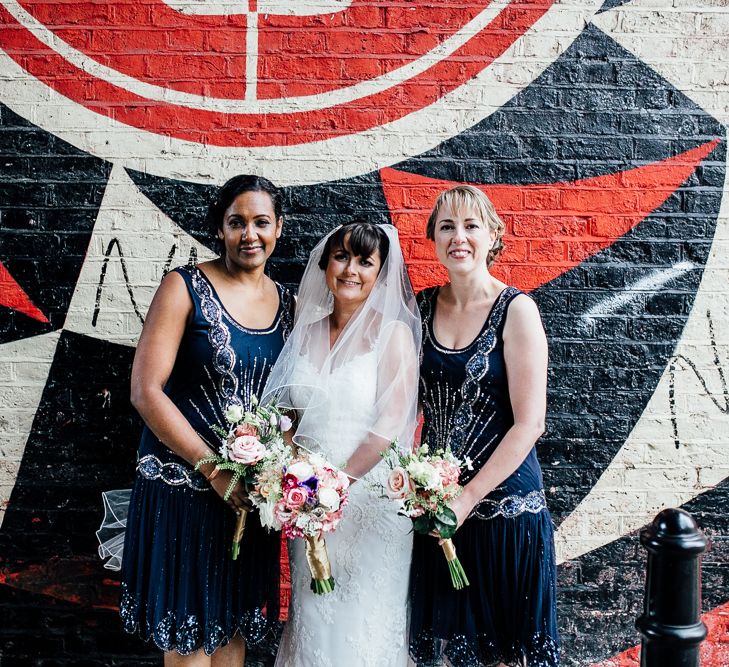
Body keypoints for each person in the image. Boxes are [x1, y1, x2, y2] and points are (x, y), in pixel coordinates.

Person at [118, 175, 293, 665]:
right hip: (184, 488)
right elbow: (146, 391)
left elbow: (290, 404)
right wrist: (211, 469)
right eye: (237, 222)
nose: (250, 234)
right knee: (191, 642)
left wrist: (275, 472)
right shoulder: (184, 285)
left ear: (279, 227)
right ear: (220, 228)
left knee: (231, 634)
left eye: (261, 222)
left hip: (246, 498)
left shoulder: (289, 304)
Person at [409, 185, 559, 667]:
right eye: (447, 226)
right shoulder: (419, 308)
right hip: (438, 514)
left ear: (492, 235)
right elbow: (398, 405)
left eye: (471, 225)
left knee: (504, 658)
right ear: (433, 237)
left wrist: (467, 497)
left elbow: (530, 423)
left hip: (502, 511)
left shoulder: (517, 311)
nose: (459, 237)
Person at [263, 220, 421, 667]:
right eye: (341, 257)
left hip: (368, 503)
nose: (351, 269)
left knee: (364, 625)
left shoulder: (394, 336)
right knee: (315, 617)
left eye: (364, 261)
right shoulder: (304, 331)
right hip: (307, 502)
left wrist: (337, 485)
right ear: (326, 263)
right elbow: (284, 414)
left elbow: (390, 424)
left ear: (380, 273)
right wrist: (298, 480)